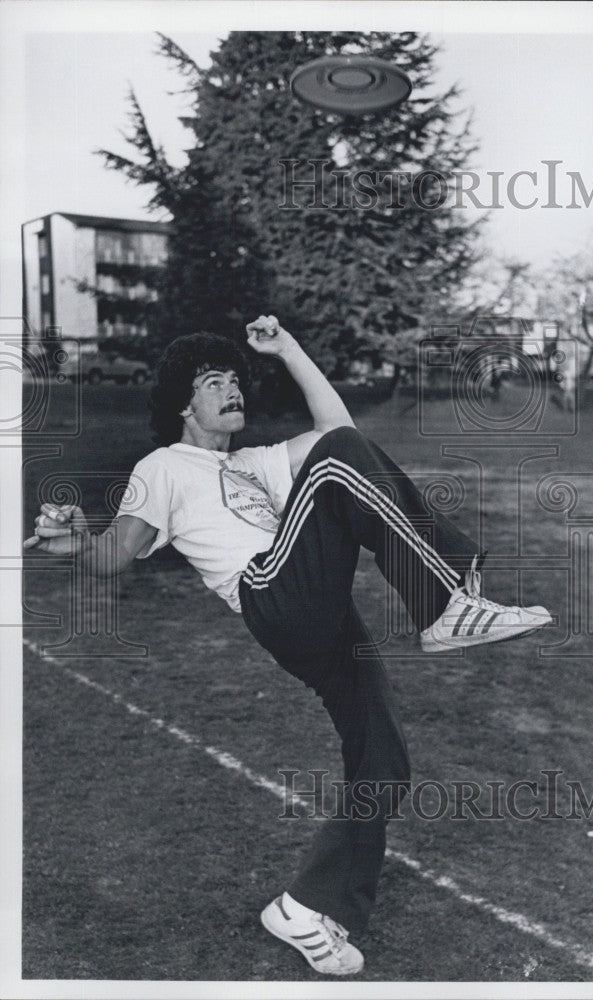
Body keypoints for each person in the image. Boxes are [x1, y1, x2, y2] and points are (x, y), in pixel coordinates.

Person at [25, 316, 551, 977]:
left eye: (236, 378)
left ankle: (304, 907)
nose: (232, 388)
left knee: (382, 758)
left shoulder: (253, 462)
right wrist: (79, 544)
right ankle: (446, 603)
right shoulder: (163, 467)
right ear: (183, 404)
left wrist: (289, 350)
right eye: (214, 381)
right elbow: (115, 556)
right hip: (270, 592)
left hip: (322, 617)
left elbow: (342, 435)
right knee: (337, 461)